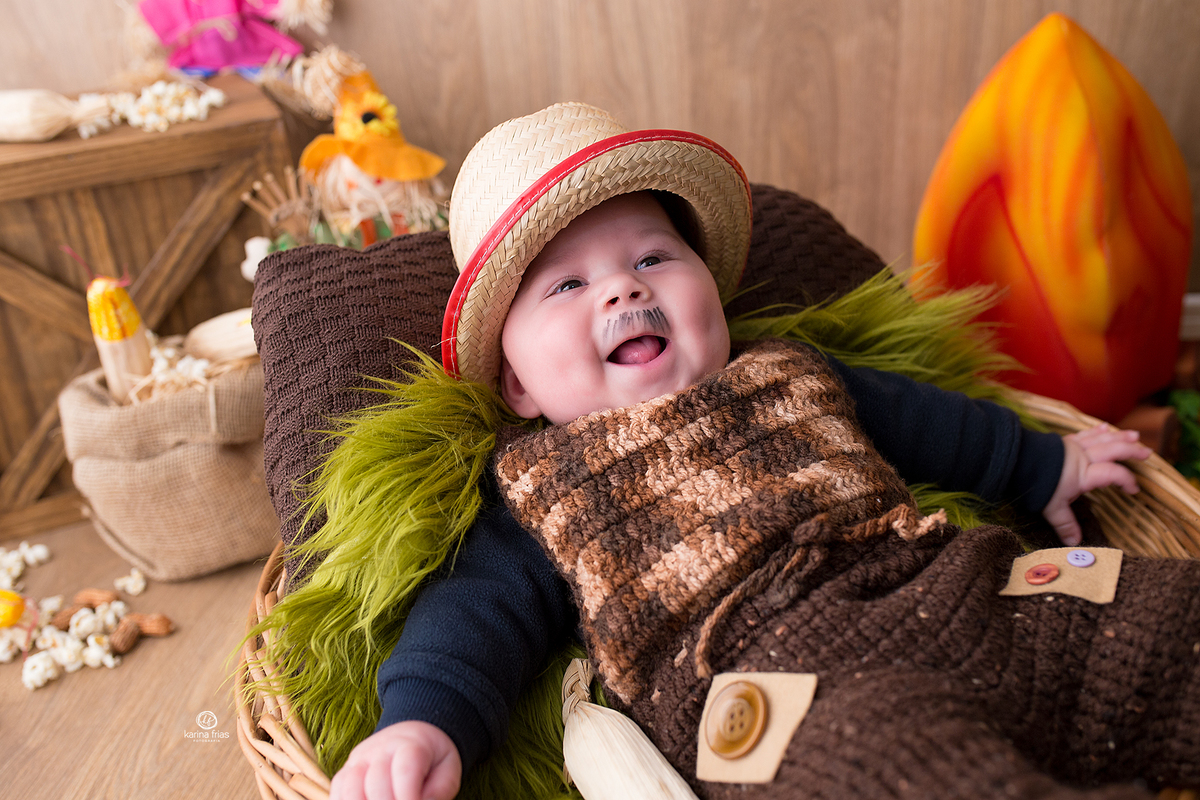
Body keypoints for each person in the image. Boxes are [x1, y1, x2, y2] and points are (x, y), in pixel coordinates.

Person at [328, 103, 1194, 800]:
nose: (624, 287)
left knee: (1155, 623)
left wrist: (1047, 466)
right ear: (519, 386)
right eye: (568, 284)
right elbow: (475, 612)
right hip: (777, 690)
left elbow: (930, 423)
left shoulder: (791, 373)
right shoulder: (544, 485)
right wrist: (423, 722)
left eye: (653, 256)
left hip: (952, 585)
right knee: (899, 773)